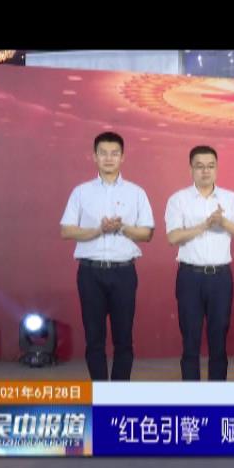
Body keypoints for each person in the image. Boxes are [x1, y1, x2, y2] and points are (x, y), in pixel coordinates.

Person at [60, 131, 155, 380]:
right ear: (94, 156)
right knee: (94, 339)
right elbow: (66, 230)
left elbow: (147, 233)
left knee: (124, 339)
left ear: (123, 157)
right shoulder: (81, 192)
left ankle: (119, 394)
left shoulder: (136, 193)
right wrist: (98, 230)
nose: (109, 158)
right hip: (90, 273)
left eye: (114, 153)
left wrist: (121, 227)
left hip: (124, 273)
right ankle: (100, 392)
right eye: (103, 153)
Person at [165, 145, 234, 381]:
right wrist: (204, 225)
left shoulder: (230, 199)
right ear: (191, 169)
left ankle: (216, 394)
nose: (205, 171)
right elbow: (173, 237)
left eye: (210, 166)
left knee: (218, 339)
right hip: (190, 277)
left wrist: (223, 222)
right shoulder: (178, 200)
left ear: (217, 168)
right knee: (190, 340)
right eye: (200, 166)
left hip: (220, 278)